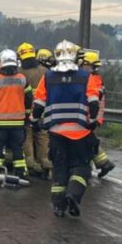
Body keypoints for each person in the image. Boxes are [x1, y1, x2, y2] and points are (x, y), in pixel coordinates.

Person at [32, 40, 101, 218]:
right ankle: (73, 195)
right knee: (81, 167)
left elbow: (38, 104)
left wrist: (34, 120)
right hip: (80, 131)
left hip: (56, 132)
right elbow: (94, 103)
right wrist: (93, 120)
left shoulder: (47, 77)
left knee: (60, 168)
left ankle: (58, 206)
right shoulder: (86, 77)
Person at [0, 49, 32, 178]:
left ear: (1, 63)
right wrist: (26, 116)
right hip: (18, 122)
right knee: (17, 147)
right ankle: (20, 172)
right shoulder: (22, 79)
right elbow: (29, 99)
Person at [17, 42, 51, 178]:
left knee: (27, 137)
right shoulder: (45, 71)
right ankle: (45, 163)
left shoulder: (20, 74)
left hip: (25, 111)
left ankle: (30, 164)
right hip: (43, 110)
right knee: (43, 137)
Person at [79, 51, 116, 178]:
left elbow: (91, 99)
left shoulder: (93, 79)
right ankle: (103, 163)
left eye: (83, 65)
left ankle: (93, 166)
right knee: (89, 141)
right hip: (92, 116)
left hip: (90, 116)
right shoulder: (96, 78)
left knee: (86, 141)